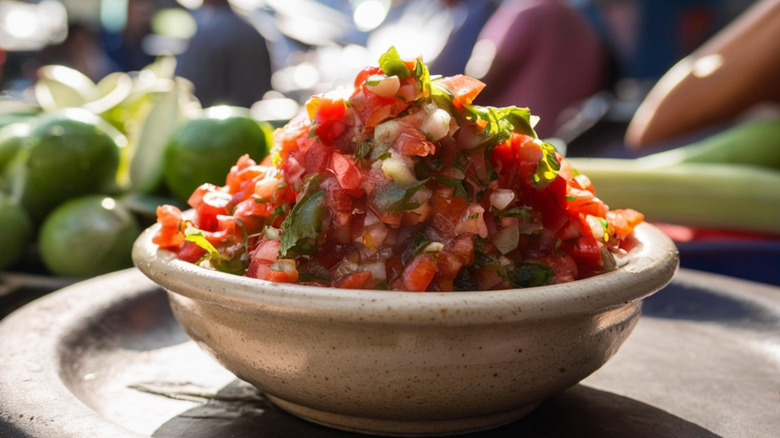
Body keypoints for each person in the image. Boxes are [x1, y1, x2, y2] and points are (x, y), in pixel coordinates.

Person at [467, 0, 606, 137]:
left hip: (514, 140)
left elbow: (480, 84)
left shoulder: (524, 12)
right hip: (565, 139)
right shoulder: (582, 21)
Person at [175, 0, 273, 108]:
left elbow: (189, 85)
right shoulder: (253, 31)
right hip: (252, 116)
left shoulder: (205, 35)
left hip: (213, 118)